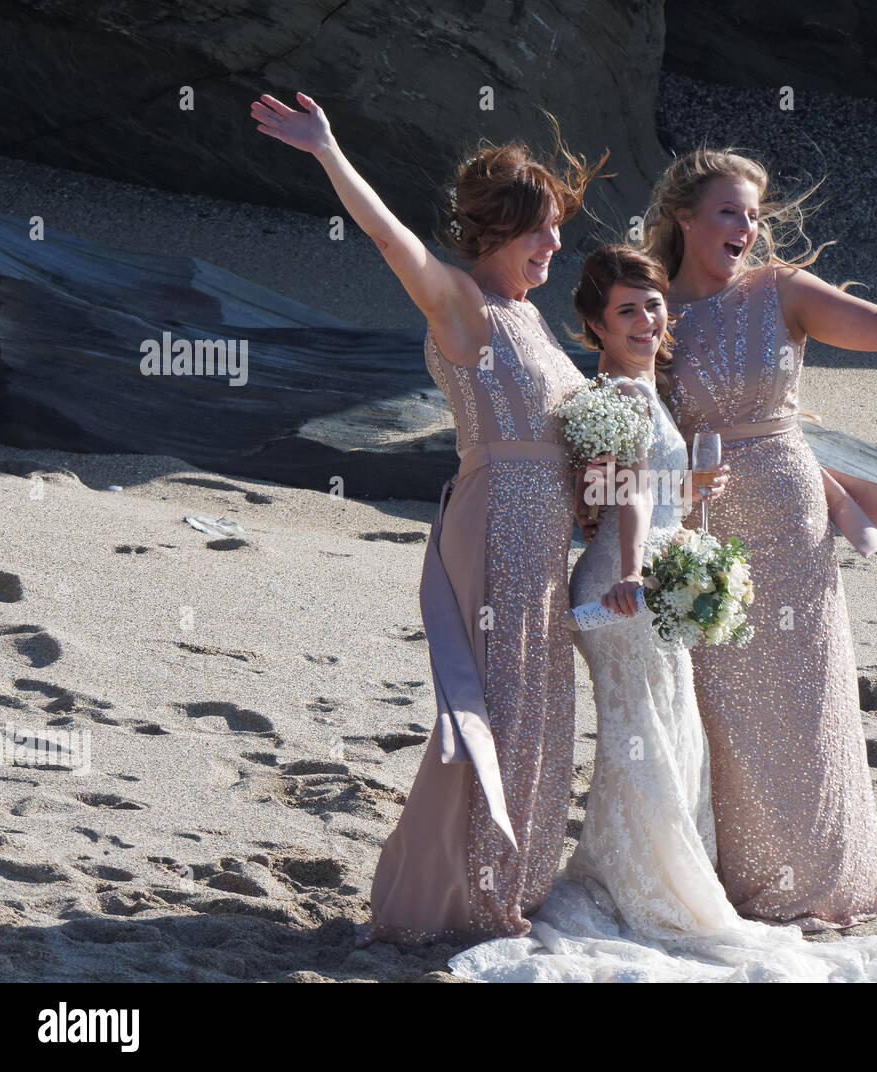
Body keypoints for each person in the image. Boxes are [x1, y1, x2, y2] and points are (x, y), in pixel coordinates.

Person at [445, 245, 877, 981]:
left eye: (652, 306)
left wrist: (693, 487)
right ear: (595, 325)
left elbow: (640, 487)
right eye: (626, 311)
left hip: (637, 579)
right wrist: (641, 567)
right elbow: (627, 495)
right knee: (656, 741)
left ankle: (642, 878)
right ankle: (654, 891)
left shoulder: (636, 392)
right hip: (624, 586)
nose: (646, 321)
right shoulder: (621, 396)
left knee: (661, 739)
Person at [250, 91, 608, 944]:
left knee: (543, 711)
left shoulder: (531, 320)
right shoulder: (462, 304)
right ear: (493, 233)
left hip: (544, 539)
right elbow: (388, 239)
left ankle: (506, 883)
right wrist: (328, 152)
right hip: (491, 531)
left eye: (558, 228)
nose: (556, 245)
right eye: (541, 230)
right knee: (500, 708)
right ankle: (468, 897)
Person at [642, 146, 877, 930]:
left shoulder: (781, 292)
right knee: (719, 710)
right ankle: (732, 881)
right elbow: (630, 418)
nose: (746, 226)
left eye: (754, 214)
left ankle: (821, 885)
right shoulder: (650, 306)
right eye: (729, 211)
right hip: (698, 528)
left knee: (806, 706)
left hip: (791, 522)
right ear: (685, 218)